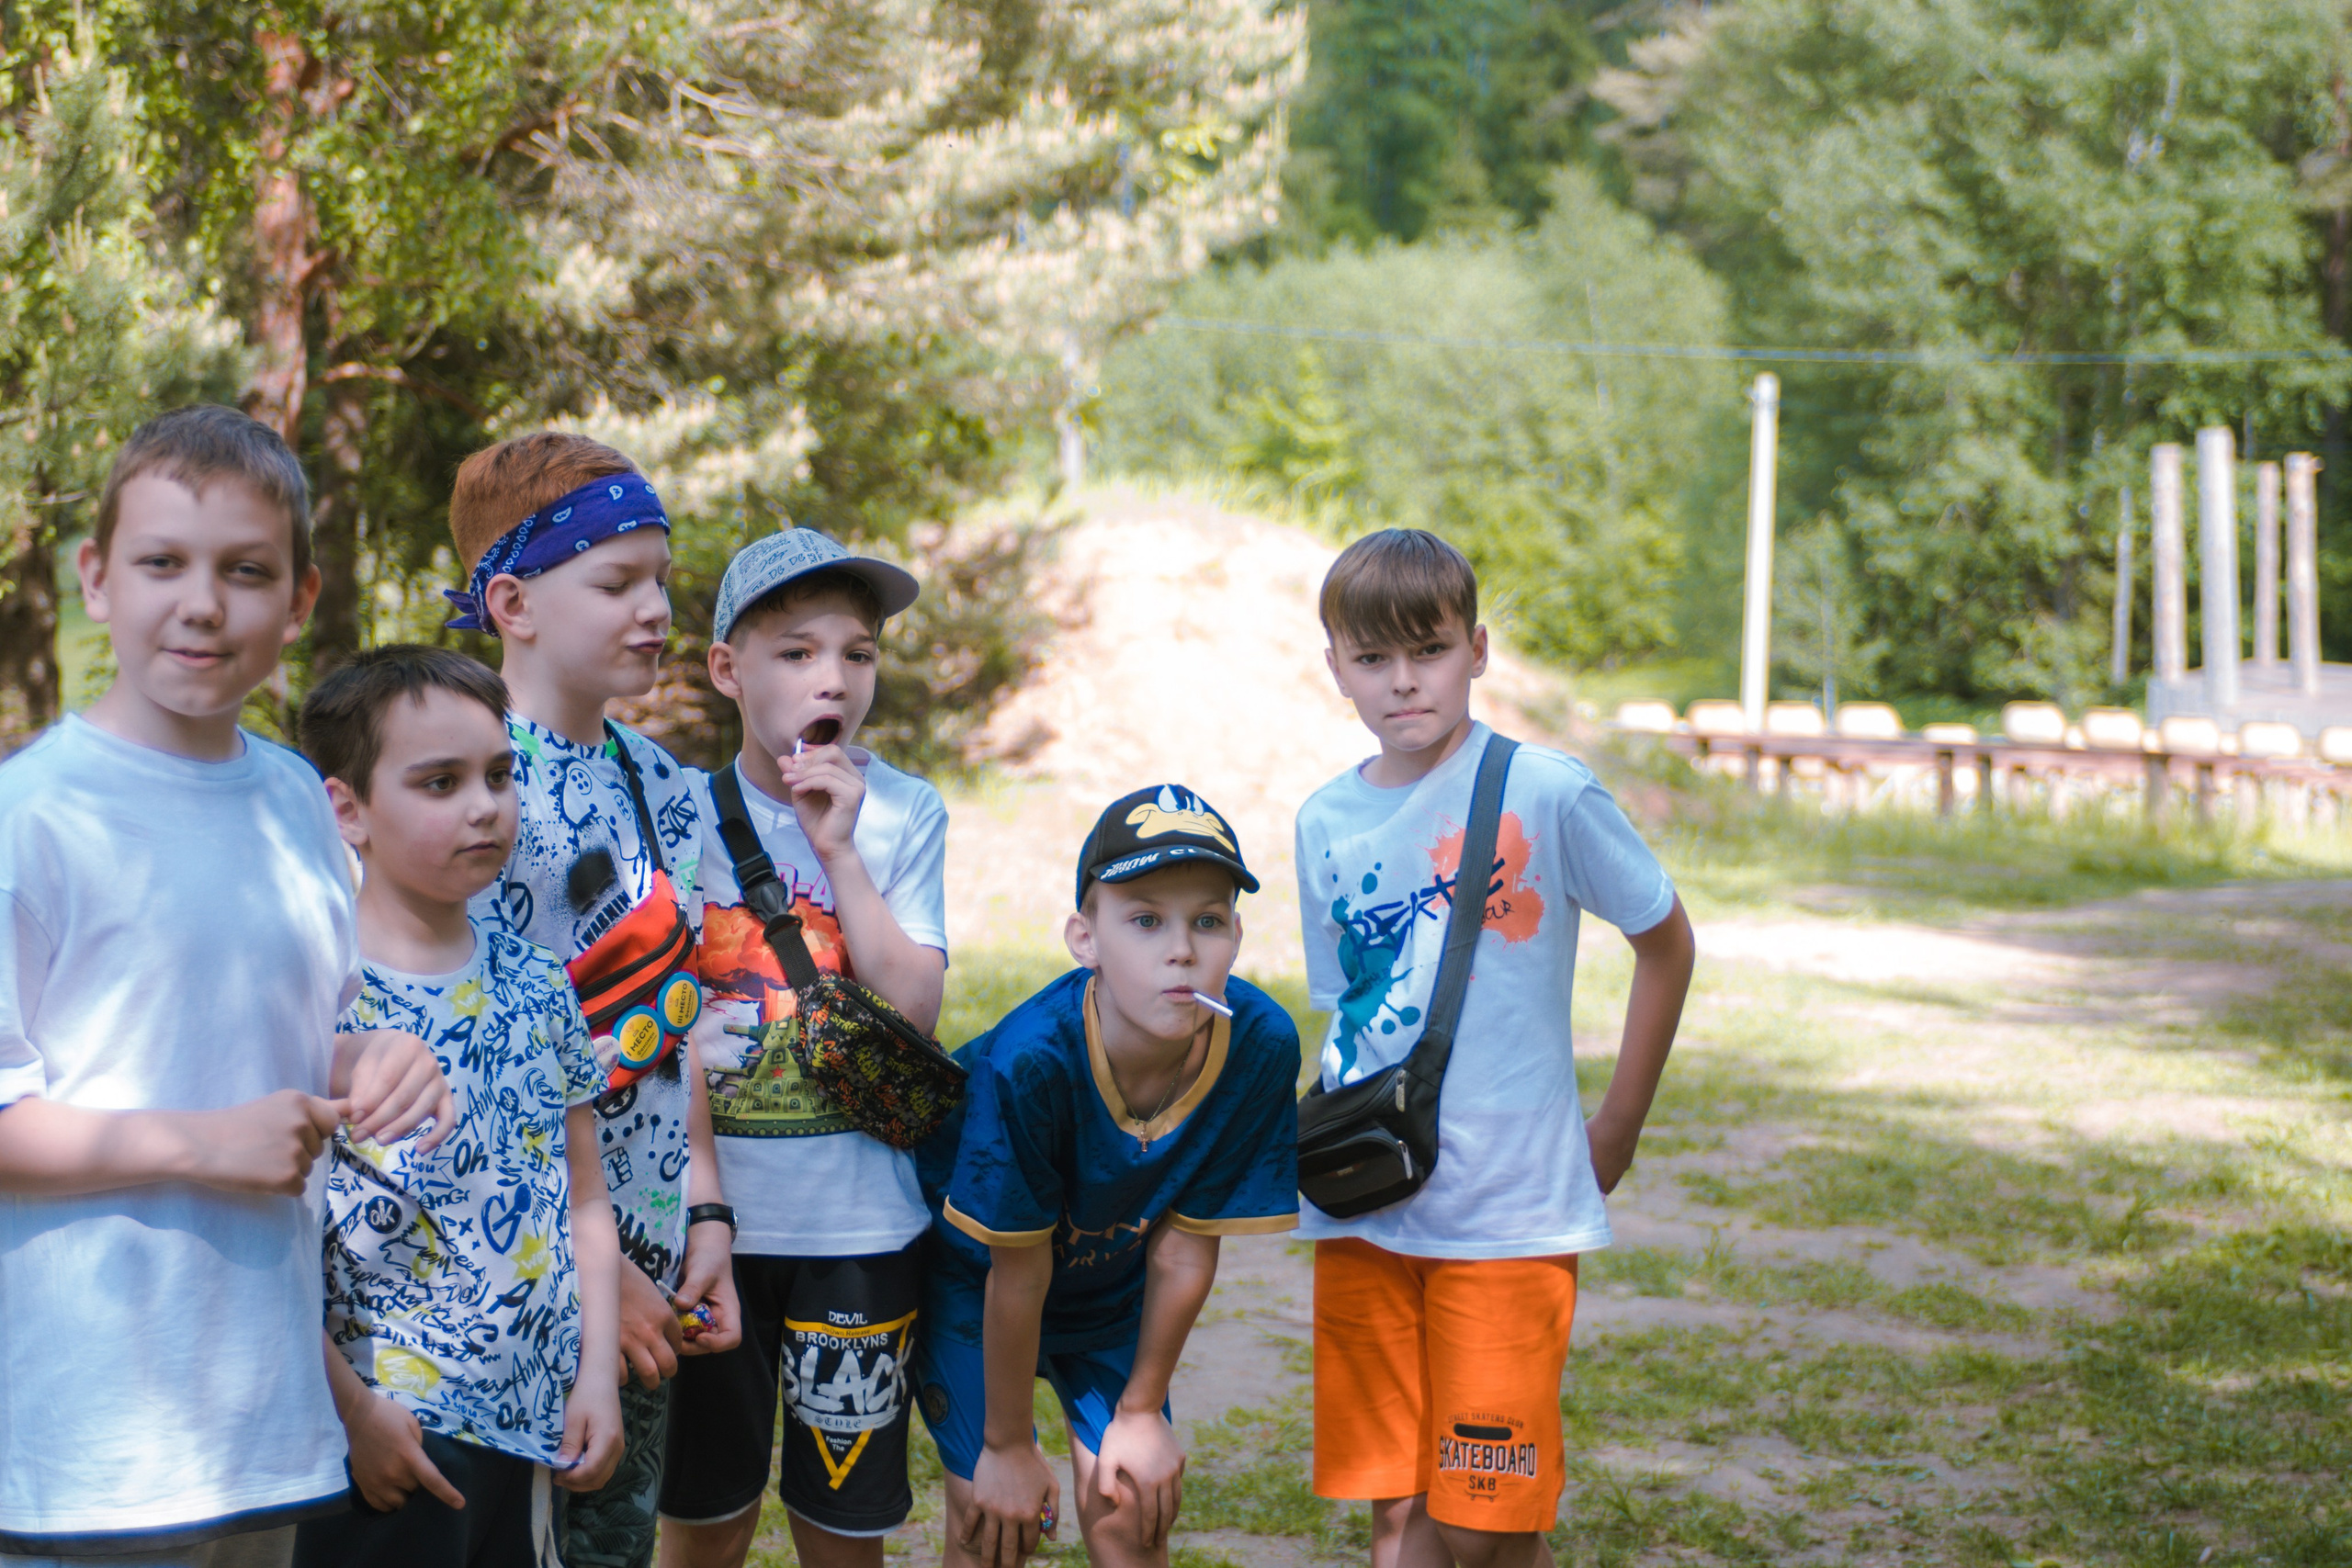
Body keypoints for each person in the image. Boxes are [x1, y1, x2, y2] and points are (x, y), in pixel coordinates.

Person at [0, 406, 451, 1568]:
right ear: (97, 578)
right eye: (163, 563)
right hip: (85, 1443)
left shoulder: (302, 800)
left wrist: (371, 1061)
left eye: (245, 572)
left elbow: (297, 1042)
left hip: (257, 1428)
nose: (202, 604)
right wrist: (206, 1144)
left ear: (299, 600)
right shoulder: (30, 818)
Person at [1295, 528, 1696, 1568]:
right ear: (1333, 665)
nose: (1401, 682)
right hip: (1365, 1206)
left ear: (1477, 649)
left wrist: (1617, 1124)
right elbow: (1345, 1006)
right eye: (1371, 659)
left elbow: (1665, 942)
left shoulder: (1547, 790)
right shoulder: (1322, 821)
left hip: (1507, 1212)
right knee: (1396, 1513)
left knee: (1484, 1523)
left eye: (1424, 651)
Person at [444, 433, 741, 1568]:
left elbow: (678, 1019)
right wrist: (590, 1279)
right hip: (516, 1286)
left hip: (653, 1277)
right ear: (512, 600)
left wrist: (704, 1210)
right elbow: (472, 1067)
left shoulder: (664, 781)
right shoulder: (468, 785)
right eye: (616, 582)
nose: (657, 608)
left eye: (661, 578)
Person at [291, 646, 628, 1566]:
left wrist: (594, 1373)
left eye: (497, 775)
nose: (483, 805)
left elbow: (584, 1194)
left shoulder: (536, 979)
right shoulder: (313, 1002)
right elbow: (272, 1242)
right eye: (439, 782)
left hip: (527, 1423)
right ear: (347, 809)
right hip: (384, 1432)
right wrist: (351, 1412)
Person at [917, 787, 1300, 1568]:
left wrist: (1140, 1410)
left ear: (1236, 935)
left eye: (1208, 920)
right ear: (1084, 938)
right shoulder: (1032, 1058)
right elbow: (1014, 1269)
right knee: (994, 1524)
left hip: (1108, 1293)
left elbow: (1186, 1246)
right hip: (976, 1283)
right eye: (1146, 919)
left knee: (1131, 1508)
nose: (1182, 949)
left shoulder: (1259, 1043)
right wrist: (1007, 1443)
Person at [658, 530, 944, 1568]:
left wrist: (839, 851)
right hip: (711, 1231)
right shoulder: (672, 814)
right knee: (705, 1515)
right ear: (728, 670)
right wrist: (697, 1211)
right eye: (797, 651)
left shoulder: (905, 811)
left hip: (858, 1233)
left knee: (844, 1524)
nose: (833, 678)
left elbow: (912, 1012)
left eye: (858, 653)